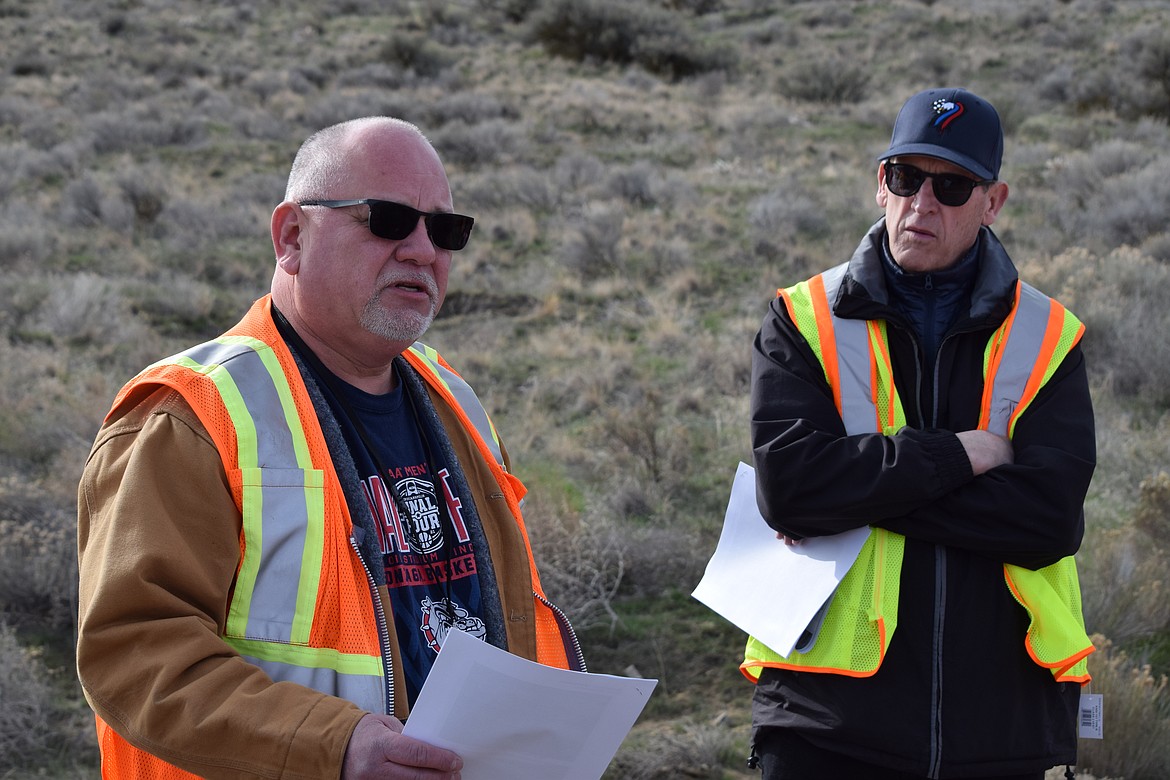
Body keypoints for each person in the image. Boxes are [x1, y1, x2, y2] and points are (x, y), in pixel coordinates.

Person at [77, 116, 584, 779]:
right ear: (292, 237)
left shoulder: (454, 401)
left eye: (446, 231)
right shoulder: (190, 417)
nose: (423, 250)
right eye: (390, 220)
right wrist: (332, 746)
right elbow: (135, 653)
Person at [742, 88, 1096, 779]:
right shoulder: (801, 319)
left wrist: (857, 490)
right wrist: (963, 454)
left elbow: (1048, 520)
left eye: (952, 185)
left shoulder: (1050, 338)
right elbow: (789, 489)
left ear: (994, 202)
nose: (922, 203)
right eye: (905, 177)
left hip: (1002, 731)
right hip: (825, 725)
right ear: (881, 184)